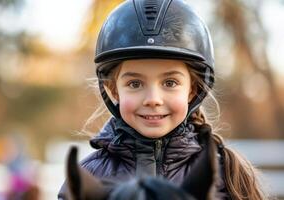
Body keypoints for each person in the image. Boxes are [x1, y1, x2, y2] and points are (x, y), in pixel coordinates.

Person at [58, 0, 266, 199]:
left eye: (170, 83)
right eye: (135, 84)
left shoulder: (228, 177)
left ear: (192, 90)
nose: (153, 100)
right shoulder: (87, 178)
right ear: (113, 90)